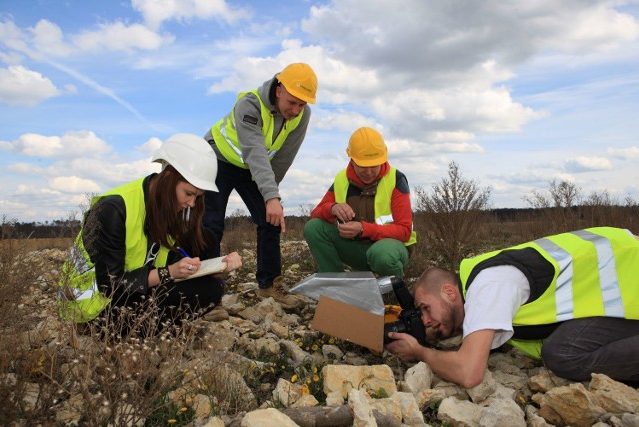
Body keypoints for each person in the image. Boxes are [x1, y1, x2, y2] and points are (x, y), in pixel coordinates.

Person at [386, 226, 639, 388]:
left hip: (631, 280)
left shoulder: (488, 285)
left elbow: (469, 373)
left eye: (426, 308)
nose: (427, 320)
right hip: (621, 285)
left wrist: (420, 352)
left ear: (449, 292)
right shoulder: (479, 277)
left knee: (563, 353)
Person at [57, 133, 242, 334]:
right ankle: (94, 330)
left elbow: (175, 255)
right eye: (188, 193)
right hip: (94, 307)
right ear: (168, 178)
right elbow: (109, 285)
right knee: (199, 291)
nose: (192, 203)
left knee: (211, 288)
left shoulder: (166, 208)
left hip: (131, 291)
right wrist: (169, 272)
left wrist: (216, 266)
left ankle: (141, 333)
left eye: (198, 196)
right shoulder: (112, 209)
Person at [202, 63, 317, 310]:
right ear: (279, 90)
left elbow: (285, 156)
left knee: (270, 219)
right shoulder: (250, 105)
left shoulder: (301, 116)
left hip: (250, 169)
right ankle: (207, 296)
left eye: (302, 104)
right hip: (218, 159)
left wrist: (271, 197)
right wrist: (270, 197)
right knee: (211, 223)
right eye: (293, 102)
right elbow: (254, 150)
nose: (296, 110)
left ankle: (268, 284)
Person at [303, 127, 417, 278]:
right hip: (358, 250)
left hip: (390, 249)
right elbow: (316, 214)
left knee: (382, 255)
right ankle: (336, 287)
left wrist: (363, 229)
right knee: (314, 227)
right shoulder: (341, 179)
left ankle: (394, 291)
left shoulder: (396, 179)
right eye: (363, 166)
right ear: (351, 159)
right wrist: (333, 208)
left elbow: (404, 231)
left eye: (374, 165)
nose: (369, 172)